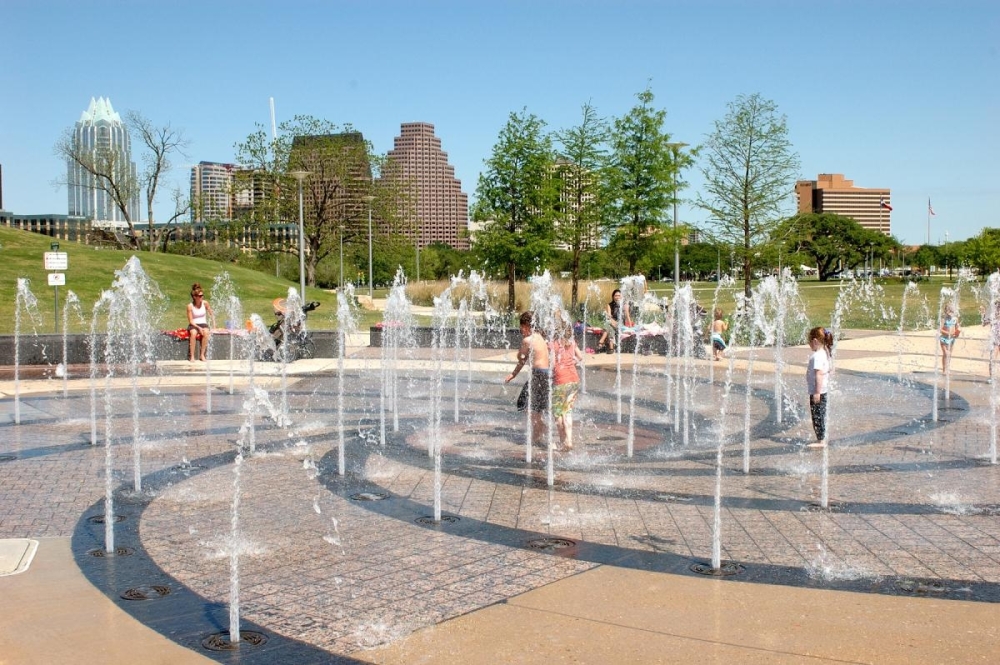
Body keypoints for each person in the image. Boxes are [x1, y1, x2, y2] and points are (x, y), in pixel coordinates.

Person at [505, 311, 550, 443]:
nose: (521, 331)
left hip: (538, 375)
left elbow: (521, 358)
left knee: (524, 404)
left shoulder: (527, 340)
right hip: (546, 375)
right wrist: (513, 374)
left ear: (526, 325)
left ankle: (542, 428)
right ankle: (537, 436)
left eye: (521, 328)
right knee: (536, 407)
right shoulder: (540, 336)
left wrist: (513, 373)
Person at [550, 320, 584, 451]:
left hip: (560, 381)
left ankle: (562, 441)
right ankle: (569, 440)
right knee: (568, 411)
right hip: (573, 380)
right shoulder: (572, 343)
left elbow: (552, 364)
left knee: (558, 414)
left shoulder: (553, 345)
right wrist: (572, 362)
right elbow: (580, 357)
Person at [806, 326, 833, 449]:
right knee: (821, 414)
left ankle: (821, 441)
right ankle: (822, 438)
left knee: (817, 415)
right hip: (823, 390)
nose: (810, 345)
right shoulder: (825, 352)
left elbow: (818, 374)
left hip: (818, 391)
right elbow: (830, 369)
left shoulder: (817, 356)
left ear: (815, 341)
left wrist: (817, 392)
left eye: (810, 342)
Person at [597, 289, 632, 354]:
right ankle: (611, 348)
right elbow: (609, 316)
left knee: (608, 323)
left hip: (621, 325)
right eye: (616, 295)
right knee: (609, 325)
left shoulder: (624, 305)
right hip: (612, 324)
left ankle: (602, 342)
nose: (617, 297)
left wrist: (630, 328)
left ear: (621, 296)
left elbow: (627, 316)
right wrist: (611, 320)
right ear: (613, 296)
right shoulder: (609, 305)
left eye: (619, 295)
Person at [186, 283, 214, 362]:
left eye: (202, 295)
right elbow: (191, 321)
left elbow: (211, 312)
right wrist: (198, 328)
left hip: (203, 323)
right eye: (200, 296)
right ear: (195, 297)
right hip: (194, 324)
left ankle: (202, 355)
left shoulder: (205, 303)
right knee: (193, 333)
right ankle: (192, 356)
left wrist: (214, 323)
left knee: (206, 332)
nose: (202, 297)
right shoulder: (190, 306)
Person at [939, 304, 961, 373]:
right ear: (945, 311)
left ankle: (947, 368)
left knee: (949, 355)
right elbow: (940, 329)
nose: (949, 313)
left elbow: (957, 328)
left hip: (951, 339)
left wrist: (957, 333)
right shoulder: (944, 319)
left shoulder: (955, 319)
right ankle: (944, 369)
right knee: (946, 353)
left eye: (951, 311)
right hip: (944, 338)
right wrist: (948, 333)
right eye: (948, 311)